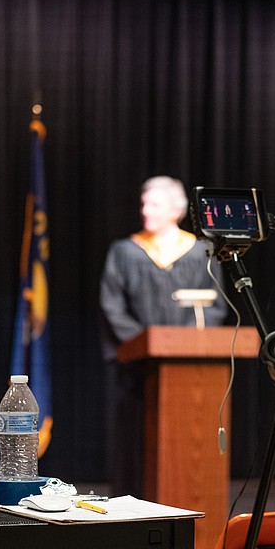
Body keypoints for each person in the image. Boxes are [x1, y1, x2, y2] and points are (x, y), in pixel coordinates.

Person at [99, 175, 227, 496]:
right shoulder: (125, 251)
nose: (145, 210)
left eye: (153, 204)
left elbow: (216, 305)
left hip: (188, 371)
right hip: (137, 369)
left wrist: (181, 346)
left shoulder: (201, 252)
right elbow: (111, 305)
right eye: (144, 203)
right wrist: (146, 346)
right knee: (135, 442)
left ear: (177, 210)